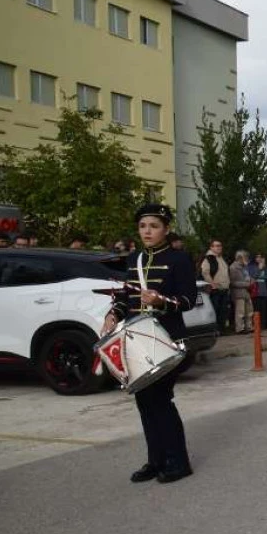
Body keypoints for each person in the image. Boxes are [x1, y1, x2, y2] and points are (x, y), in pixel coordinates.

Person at [102, 204, 197, 483]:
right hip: (137, 338)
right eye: (143, 226)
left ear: (166, 229)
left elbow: (188, 300)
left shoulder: (179, 259)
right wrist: (113, 313)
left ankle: (178, 461)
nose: (147, 231)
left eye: (154, 226)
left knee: (161, 399)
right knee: (144, 401)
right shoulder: (134, 259)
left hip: (166, 339)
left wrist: (160, 301)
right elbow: (125, 296)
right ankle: (155, 460)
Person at [201, 240, 230, 333]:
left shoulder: (221, 258)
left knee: (223, 310)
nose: (219, 247)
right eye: (216, 246)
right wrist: (212, 284)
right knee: (215, 310)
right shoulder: (209, 258)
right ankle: (214, 330)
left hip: (224, 288)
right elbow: (205, 272)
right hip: (215, 290)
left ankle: (221, 329)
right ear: (211, 247)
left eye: (220, 245)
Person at [228, 250, 253, 334]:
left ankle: (248, 326)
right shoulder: (233, 267)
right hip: (238, 293)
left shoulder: (244, 267)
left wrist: (250, 281)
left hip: (246, 292)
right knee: (240, 311)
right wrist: (246, 284)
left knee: (249, 310)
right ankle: (240, 328)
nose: (247, 259)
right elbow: (233, 282)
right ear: (240, 258)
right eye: (245, 257)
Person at [249, 253, 267, 320]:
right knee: (256, 309)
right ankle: (256, 325)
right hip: (255, 291)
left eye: (260, 257)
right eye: (257, 257)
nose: (259, 258)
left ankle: (263, 325)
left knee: (263, 309)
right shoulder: (251, 267)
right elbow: (253, 276)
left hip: (263, 291)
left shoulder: (265, 267)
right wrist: (259, 269)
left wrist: (265, 267)